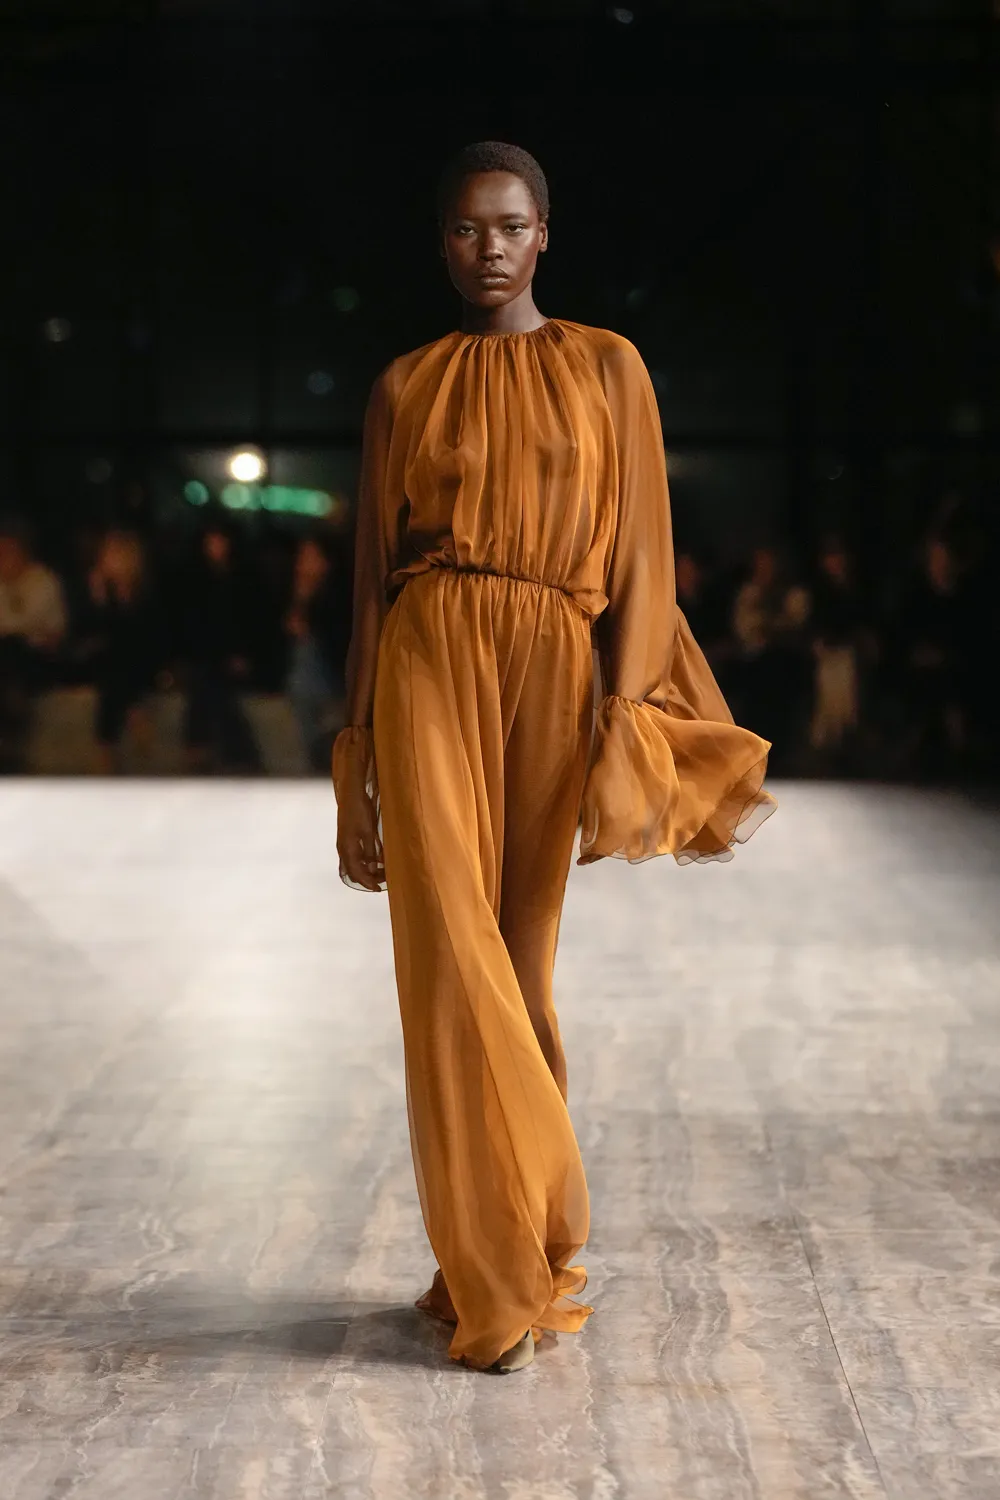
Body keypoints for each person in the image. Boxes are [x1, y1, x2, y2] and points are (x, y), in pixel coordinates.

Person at [331, 142, 775, 1375]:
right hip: (428, 658)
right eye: (467, 228)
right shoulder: (404, 386)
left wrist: (625, 713)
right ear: (442, 242)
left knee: (520, 969)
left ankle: (512, 1241)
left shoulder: (606, 367)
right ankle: (496, 1284)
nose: (490, 247)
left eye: (510, 225)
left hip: (551, 663)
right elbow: (369, 585)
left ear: (544, 235)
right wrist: (354, 756)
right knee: (450, 958)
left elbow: (643, 558)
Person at [79, 529, 165, 774]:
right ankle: (134, 710)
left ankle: (106, 743)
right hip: (107, 659)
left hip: (140, 659)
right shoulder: (99, 587)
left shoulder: (145, 590)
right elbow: (95, 630)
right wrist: (100, 598)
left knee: (119, 662)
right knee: (112, 665)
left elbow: (145, 634)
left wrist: (120, 600)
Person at [178, 521, 261, 775]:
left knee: (210, 684)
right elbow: (194, 628)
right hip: (209, 659)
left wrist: (241, 656)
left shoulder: (244, 581)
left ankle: (201, 747)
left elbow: (251, 625)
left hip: (239, 660)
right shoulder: (196, 582)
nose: (215, 547)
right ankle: (234, 753)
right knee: (210, 684)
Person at [731, 545, 811, 770]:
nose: (764, 568)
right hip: (752, 662)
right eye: (760, 563)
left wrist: (770, 629)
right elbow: (744, 628)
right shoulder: (748, 593)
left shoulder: (793, 593)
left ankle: (781, 753)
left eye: (769, 563)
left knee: (778, 674)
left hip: (786, 661)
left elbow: (794, 624)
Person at [0, 518, 68, 772]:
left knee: (13, 648)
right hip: (8, 657)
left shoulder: (43, 581)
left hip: (38, 657)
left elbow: (33, 626)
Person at [284, 532, 344, 772]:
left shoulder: (337, 595)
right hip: (308, 675)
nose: (302, 564)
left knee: (305, 658)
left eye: (309, 557)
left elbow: (334, 641)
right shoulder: (297, 591)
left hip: (334, 670)